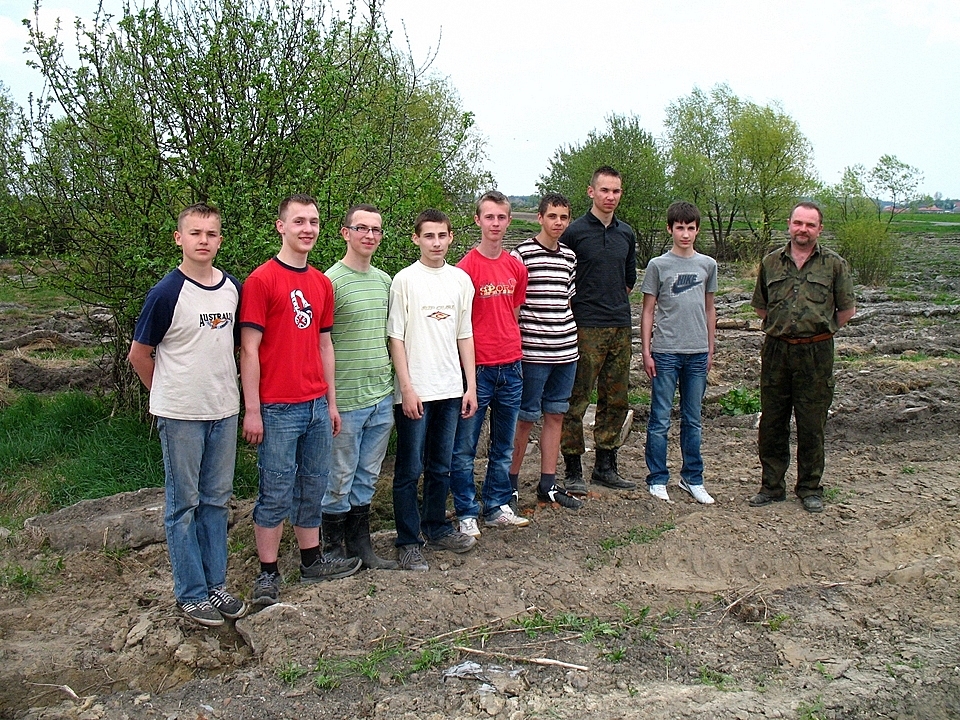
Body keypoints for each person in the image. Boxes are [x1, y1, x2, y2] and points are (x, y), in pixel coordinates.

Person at [128, 202, 247, 626]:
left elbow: (235, 346)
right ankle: (191, 593)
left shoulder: (232, 289)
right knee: (184, 505)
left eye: (211, 234)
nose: (203, 241)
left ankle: (216, 585)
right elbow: (139, 354)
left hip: (223, 411)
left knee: (216, 502)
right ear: (179, 238)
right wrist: (168, 395)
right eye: (195, 233)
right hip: (181, 416)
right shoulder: (166, 293)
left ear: (220, 240)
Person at [240, 194, 361, 606]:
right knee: (275, 490)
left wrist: (331, 402)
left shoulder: (321, 283)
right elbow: (249, 350)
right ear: (281, 226)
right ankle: (267, 574)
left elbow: (325, 345)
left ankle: (312, 560)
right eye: (298, 221)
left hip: (315, 404)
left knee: (313, 485)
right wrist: (252, 410)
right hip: (276, 406)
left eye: (313, 222)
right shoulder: (261, 281)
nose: (307, 229)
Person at [749, 201, 856, 513]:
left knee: (811, 423)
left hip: (816, 352)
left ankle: (810, 488)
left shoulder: (834, 264)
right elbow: (761, 307)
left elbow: (846, 310)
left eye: (810, 225)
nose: (803, 230)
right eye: (798, 223)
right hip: (777, 350)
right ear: (789, 224)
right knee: (772, 421)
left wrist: (817, 330)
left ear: (819, 229)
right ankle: (771, 486)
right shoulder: (770, 262)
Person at [388, 209, 479, 571]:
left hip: (450, 389)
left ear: (451, 237)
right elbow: (396, 338)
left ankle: (436, 526)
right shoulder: (405, 281)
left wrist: (470, 386)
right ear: (416, 239)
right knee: (410, 468)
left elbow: (464, 335)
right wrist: (407, 389)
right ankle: (408, 541)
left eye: (442, 236)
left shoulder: (460, 281)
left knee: (441, 466)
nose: (436, 243)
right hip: (416, 392)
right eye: (429, 236)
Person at [450, 190, 531, 536]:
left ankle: (496, 505)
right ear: (478, 220)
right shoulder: (464, 270)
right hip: (477, 369)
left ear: (508, 221)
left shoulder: (516, 267)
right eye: (489, 217)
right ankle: (466, 510)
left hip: (511, 365)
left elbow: (514, 310)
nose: (495, 223)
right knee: (465, 447)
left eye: (501, 217)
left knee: (503, 445)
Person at [322, 204, 398, 570]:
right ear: (345, 233)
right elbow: (321, 344)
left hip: (380, 396)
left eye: (376, 230)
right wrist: (329, 401)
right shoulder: (330, 282)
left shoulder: (385, 282)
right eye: (362, 228)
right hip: (345, 398)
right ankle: (332, 547)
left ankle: (361, 545)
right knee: (339, 476)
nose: (369, 235)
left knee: (367, 475)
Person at [560, 166, 638, 492]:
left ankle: (606, 465)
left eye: (616, 191)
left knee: (615, 399)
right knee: (575, 399)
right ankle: (573, 468)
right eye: (604, 190)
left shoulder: (626, 234)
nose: (610, 197)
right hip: (584, 327)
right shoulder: (574, 233)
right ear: (591, 192)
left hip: (619, 326)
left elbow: (629, 280)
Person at [507, 193, 583, 511]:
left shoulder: (569, 257)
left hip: (566, 351)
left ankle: (547, 485)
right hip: (532, 353)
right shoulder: (521, 254)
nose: (558, 223)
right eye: (552, 216)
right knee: (525, 418)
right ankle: (509, 485)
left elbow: (567, 300)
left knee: (556, 414)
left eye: (564, 217)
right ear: (540, 218)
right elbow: (513, 304)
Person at [640, 201, 717, 504]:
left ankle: (693, 478)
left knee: (693, 419)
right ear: (670, 229)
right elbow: (648, 310)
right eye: (680, 228)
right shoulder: (658, 266)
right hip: (666, 352)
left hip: (697, 352)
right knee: (660, 418)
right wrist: (646, 351)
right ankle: (658, 478)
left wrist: (710, 347)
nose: (685, 234)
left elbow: (709, 308)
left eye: (690, 228)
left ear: (697, 230)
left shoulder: (707, 265)